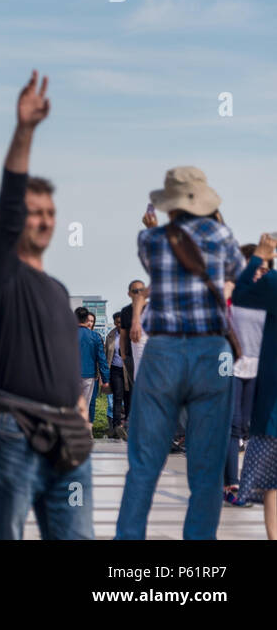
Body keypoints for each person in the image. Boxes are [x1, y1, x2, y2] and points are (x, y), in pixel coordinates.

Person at [0, 72, 92, 540]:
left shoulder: (58, 289)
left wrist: (79, 406)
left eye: (48, 212)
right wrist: (24, 131)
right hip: (15, 431)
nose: (42, 219)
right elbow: (6, 205)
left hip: (70, 437)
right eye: (32, 211)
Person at [115, 167, 245, 541]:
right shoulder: (221, 234)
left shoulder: (151, 238)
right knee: (206, 468)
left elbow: (152, 267)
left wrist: (151, 224)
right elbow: (236, 270)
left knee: (144, 462)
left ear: (169, 205)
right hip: (211, 351)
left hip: (164, 350)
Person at [234, 234, 277, 534]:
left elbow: (241, 293)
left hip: (273, 404)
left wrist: (260, 257)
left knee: (272, 481)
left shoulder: (274, 285)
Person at [227, 246, 267, 506]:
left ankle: (255, 484)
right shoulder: (232, 293)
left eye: (265, 268)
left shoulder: (267, 296)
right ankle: (232, 485)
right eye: (255, 266)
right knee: (233, 426)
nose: (260, 272)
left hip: (259, 368)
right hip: (230, 367)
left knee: (254, 428)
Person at [76, 308, 109, 426]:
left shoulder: (66, 333)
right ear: (86, 319)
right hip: (88, 376)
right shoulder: (95, 336)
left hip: (69, 376)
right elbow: (102, 359)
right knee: (85, 405)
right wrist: (105, 379)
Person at [105, 311, 129, 440]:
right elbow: (105, 354)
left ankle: (128, 427)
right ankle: (116, 426)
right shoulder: (111, 335)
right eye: (118, 322)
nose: (121, 324)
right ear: (115, 322)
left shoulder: (131, 334)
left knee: (129, 398)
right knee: (117, 397)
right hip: (115, 370)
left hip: (129, 371)